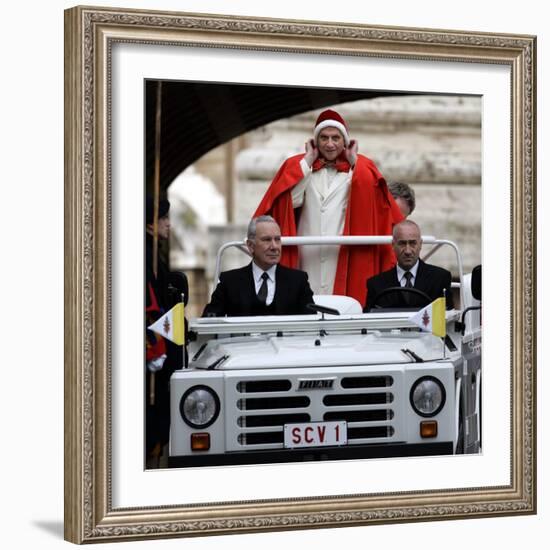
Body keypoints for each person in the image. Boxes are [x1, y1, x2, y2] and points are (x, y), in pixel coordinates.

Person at [253, 109, 403, 305]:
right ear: (315, 141)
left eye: (335, 138)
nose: (330, 144)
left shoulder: (358, 170)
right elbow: (289, 202)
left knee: (340, 302)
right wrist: (307, 161)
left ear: (345, 140)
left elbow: (370, 202)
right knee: (308, 300)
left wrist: (355, 161)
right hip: (307, 251)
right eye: (324, 138)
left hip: (342, 253)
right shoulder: (301, 168)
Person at [203, 215, 314, 317]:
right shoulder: (229, 282)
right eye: (267, 240)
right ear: (251, 246)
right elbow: (209, 320)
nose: (274, 246)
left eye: (277, 239)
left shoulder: (298, 281)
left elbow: (312, 324)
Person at [145, 197, 184, 468]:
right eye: (163, 218)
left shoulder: (151, 248)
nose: (168, 223)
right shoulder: (144, 252)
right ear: (150, 221)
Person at [364, 219, 453, 311]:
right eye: (402, 244)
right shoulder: (376, 285)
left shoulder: (440, 279)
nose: (408, 251)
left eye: (412, 243)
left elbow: (448, 319)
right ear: (393, 245)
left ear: (420, 244)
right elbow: (369, 321)